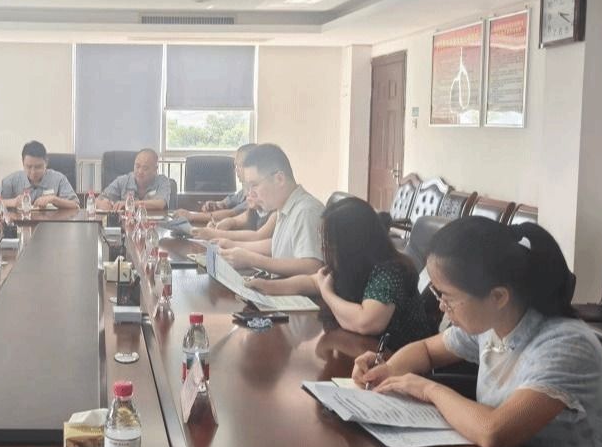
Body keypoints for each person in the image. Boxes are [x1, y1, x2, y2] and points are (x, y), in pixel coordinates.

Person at [352, 217, 602, 447]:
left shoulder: (566, 346)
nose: (441, 307)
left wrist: (427, 389)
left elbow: (494, 432)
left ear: (498, 296)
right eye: (438, 294)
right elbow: (425, 351)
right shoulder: (493, 323)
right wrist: (387, 369)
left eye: (448, 297)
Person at [248, 197, 434, 343]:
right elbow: (314, 280)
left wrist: (327, 293)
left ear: (351, 245)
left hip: (399, 363)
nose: (323, 249)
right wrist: (266, 287)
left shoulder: (391, 271)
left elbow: (366, 322)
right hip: (364, 352)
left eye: (328, 243)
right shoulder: (351, 264)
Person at [215, 143, 324, 278]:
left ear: (279, 179)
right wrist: (233, 245)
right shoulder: (285, 207)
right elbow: (278, 246)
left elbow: (311, 267)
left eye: (254, 185)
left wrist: (252, 260)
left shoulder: (306, 212)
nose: (250, 193)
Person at [175, 143, 256, 225]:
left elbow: (231, 214)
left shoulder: (256, 194)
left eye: (240, 165)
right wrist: (216, 204)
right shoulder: (244, 191)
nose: (236, 170)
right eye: (236, 166)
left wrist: (191, 216)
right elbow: (227, 202)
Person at [0, 140, 79, 209]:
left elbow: (75, 205)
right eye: (29, 167)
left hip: (50, 223)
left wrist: (54, 199)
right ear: (23, 163)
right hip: (21, 223)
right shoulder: (13, 179)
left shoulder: (58, 179)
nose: (33, 172)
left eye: (38, 167)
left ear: (46, 162)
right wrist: (12, 202)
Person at [95, 149, 176, 211]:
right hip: (126, 225)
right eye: (137, 166)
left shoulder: (162, 181)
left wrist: (129, 204)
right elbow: (98, 199)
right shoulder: (123, 180)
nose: (140, 171)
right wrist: (101, 204)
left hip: (154, 225)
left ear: (155, 169)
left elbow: (160, 203)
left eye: (145, 168)